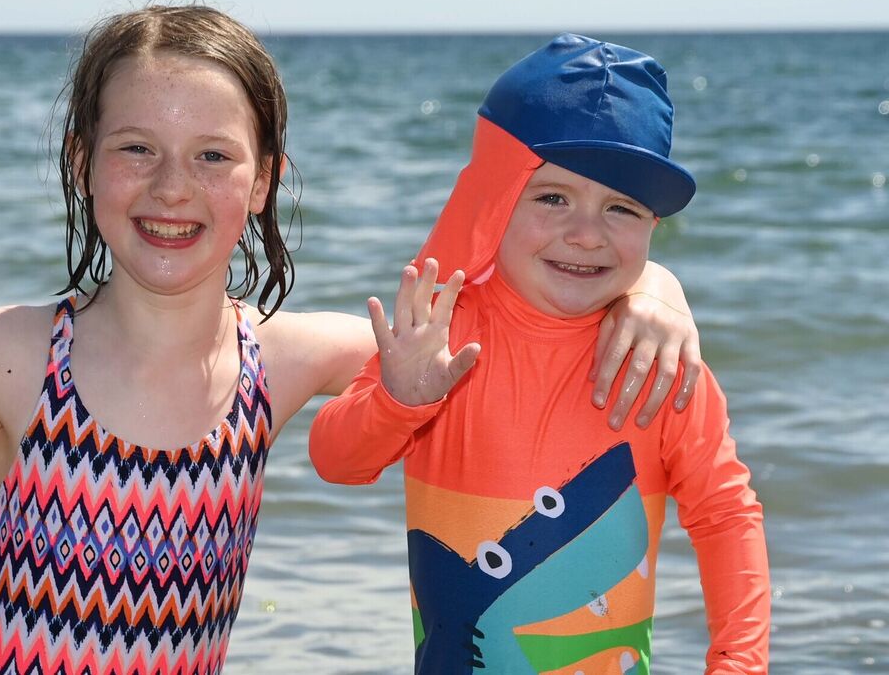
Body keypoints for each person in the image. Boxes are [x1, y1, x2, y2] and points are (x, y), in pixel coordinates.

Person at [0, 7, 704, 675]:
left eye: (214, 156)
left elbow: (507, 320)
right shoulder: (12, 357)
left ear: (264, 180)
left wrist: (654, 289)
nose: (172, 187)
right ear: (82, 164)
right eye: (136, 148)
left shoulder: (291, 359)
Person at [309, 34, 770, 674]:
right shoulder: (444, 333)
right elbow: (336, 460)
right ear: (494, 200)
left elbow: (725, 516)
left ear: (654, 228)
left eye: (622, 208)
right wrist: (397, 402)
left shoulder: (655, 362)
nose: (586, 234)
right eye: (552, 197)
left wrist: (739, 665)